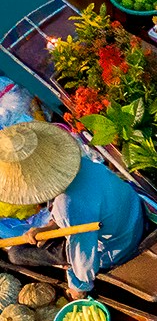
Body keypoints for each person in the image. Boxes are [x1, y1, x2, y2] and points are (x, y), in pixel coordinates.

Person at [0, 121, 144, 296]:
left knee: (16, 254)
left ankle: (68, 268)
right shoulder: (80, 163)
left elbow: (84, 254)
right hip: (132, 214)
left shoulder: (68, 205)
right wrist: (48, 228)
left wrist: (78, 287)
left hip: (120, 245)